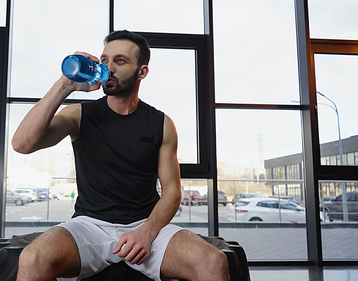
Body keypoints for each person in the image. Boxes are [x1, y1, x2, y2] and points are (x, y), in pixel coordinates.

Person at [12, 30, 229, 281]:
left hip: (144, 224)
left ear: (142, 72)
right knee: (32, 258)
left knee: (213, 261)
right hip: (88, 226)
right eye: (104, 60)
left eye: (120, 61)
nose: (109, 68)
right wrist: (65, 85)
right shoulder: (79, 115)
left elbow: (172, 192)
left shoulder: (161, 123)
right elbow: (22, 144)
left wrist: (147, 232)